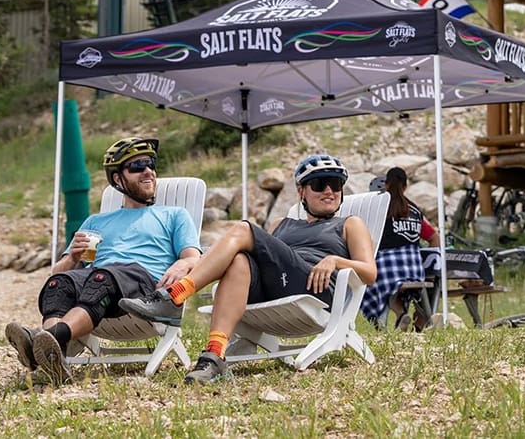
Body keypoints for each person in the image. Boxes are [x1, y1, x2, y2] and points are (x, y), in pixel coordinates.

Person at [120, 154, 377, 385]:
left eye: (336, 185)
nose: (329, 191)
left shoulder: (349, 224)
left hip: (315, 288)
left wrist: (335, 260)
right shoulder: (281, 224)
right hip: (279, 286)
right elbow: (268, 258)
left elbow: (369, 271)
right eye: (320, 184)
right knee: (239, 260)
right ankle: (214, 354)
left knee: (244, 229)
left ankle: (175, 295)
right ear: (302, 192)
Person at [4, 136, 201, 385]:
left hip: (143, 287)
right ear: (118, 179)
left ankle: (46, 340)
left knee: (103, 277)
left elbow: (194, 258)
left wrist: (183, 264)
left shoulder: (174, 215)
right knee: (61, 284)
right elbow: (56, 274)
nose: (148, 171)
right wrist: (73, 258)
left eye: (150, 164)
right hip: (100, 289)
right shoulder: (95, 222)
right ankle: (54, 358)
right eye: (137, 166)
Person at [361, 167, 439, 328]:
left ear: (386, 185)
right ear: (406, 186)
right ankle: (401, 315)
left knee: (367, 282)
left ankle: (383, 322)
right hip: (414, 270)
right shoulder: (415, 210)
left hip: (387, 269)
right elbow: (434, 237)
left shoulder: (380, 209)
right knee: (397, 286)